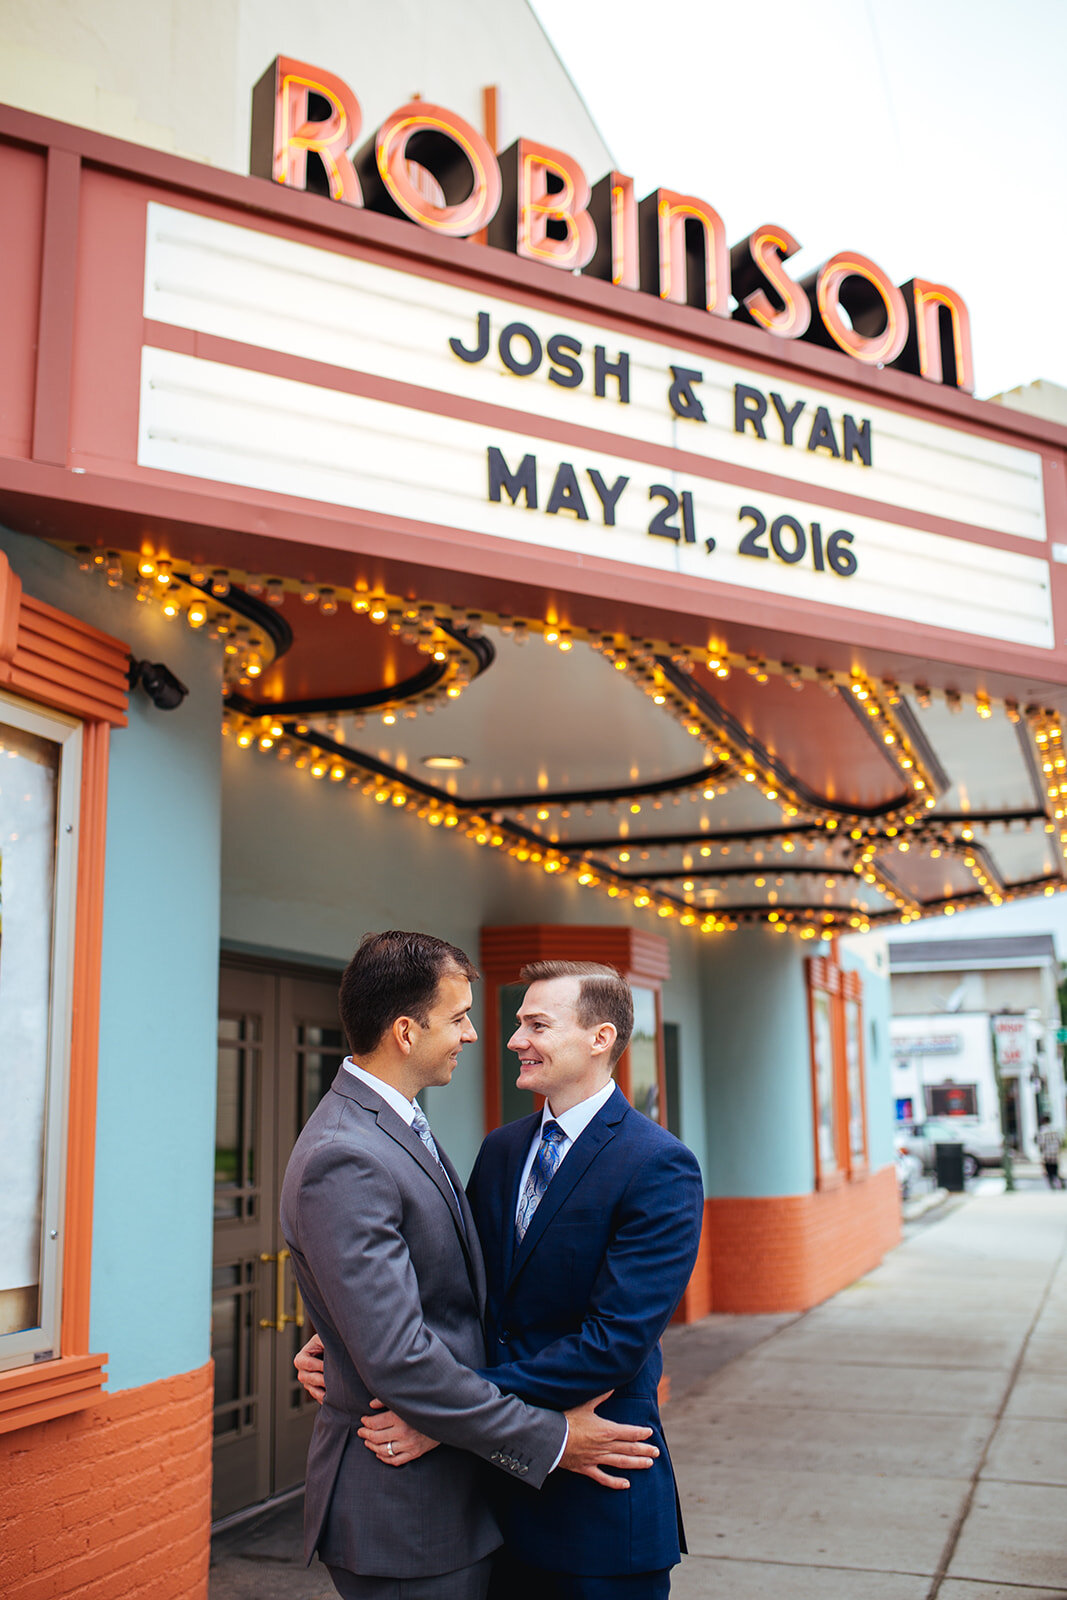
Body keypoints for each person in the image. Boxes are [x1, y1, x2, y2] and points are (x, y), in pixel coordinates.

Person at [298, 957, 704, 1598]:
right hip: (482, 1498)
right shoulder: (502, 1149)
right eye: (517, 1023)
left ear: (600, 1039)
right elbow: (453, 1284)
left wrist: (440, 1413)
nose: (513, 1040)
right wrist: (345, 1337)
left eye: (537, 1025)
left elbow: (614, 1344)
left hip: (593, 1492)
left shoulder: (658, 1165)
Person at [1036, 1116, 1064, 1188]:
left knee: (1048, 1170)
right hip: (1055, 1153)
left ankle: (1052, 1183)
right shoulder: (1055, 1130)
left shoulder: (1042, 1131)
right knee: (1055, 1169)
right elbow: (1060, 1141)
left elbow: (1040, 1143)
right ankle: (1058, 1182)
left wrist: (1041, 1151)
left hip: (1047, 1154)